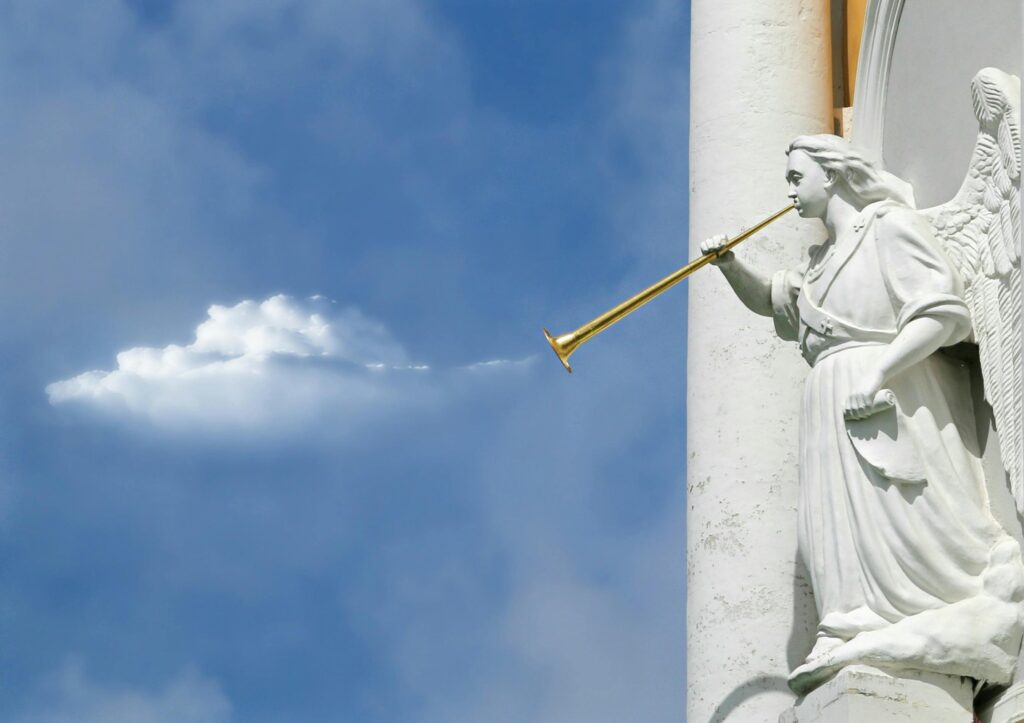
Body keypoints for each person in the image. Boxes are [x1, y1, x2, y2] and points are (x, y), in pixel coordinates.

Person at [702, 134, 1024, 695]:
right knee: (830, 524)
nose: (791, 192)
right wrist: (730, 264)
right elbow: (775, 301)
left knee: (895, 509)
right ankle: (847, 623)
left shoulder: (889, 228)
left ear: (833, 175)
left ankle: (936, 608)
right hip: (828, 400)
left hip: (882, 389)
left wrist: (879, 374)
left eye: (797, 178)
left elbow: (942, 313)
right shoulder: (819, 260)